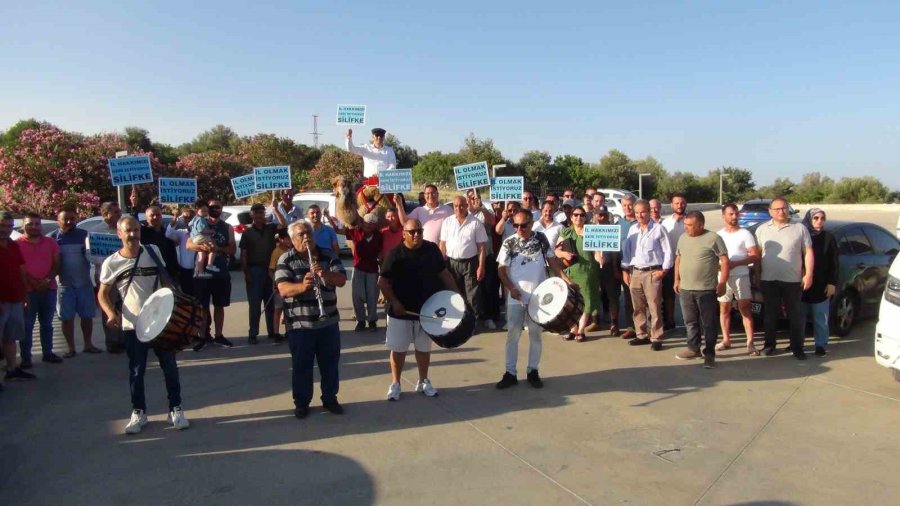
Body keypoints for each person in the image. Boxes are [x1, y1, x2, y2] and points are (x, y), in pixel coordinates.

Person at [97, 216, 189, 434]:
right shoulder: (112, 262)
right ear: (119, 233)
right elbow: (102, 294)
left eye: (136, 230)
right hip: (133, 325)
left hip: (160, 322)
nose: (133, 234)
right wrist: (111, 313)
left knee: (170, 368)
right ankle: (139, 412)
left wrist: (174, 303)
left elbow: (165, 279)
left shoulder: (153, 251)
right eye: (128, 231)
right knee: (137, 371)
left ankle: (175, 409)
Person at [379, 219, 458, 401]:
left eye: (419, 231)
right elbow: (382, 282)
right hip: (400, 312)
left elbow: (444, 274)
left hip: (428, 311)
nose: (417, 235)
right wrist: (395, 302)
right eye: (412, 232)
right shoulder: (395, 254)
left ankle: (423, 381)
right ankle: (396, 383)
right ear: (404, 234)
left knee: (423, 349)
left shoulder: (431, 250)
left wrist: (456, 295)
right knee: (398, 350)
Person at [275, 221, 348, 419]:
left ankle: (330, 398)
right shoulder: (286, 259)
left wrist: (325, 274)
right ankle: (301, 402)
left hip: (328, 322)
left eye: (308, 233)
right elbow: (283, 289)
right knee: (301, 366)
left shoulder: (328, 255)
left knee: (330, 364)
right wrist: (302, 286)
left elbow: (341, 280)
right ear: (292, 239)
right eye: (300, 235)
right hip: (300, 324)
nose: (306, 237)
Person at [496, 209, 572, 389]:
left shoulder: (541, 239)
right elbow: (501, 269)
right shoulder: (509, 242)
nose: (519, 229)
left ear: (531, 224)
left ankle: (533, 371)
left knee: (535, 335)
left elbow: (553, 262)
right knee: (512, 335)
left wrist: (566, 281)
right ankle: (510, 373)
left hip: (539, 297)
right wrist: (511, 289)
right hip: (516, 297)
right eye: (515, 225)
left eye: (523, 225)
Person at [754, 197, 814, 359]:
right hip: (769, 280)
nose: (781, 211)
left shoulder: (799, 228)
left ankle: (797, 347)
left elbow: (808, 252)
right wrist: (757, 275)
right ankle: (769, 345)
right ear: (770, 212)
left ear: (788, 209)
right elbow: (757, 255)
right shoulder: (762, 229)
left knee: (795, 316)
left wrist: (808, 274)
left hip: (793, 281)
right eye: (777, 209)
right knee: (770, 316)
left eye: (784, 208)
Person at [673, 212, 729, 368]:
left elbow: (724, 261)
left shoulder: (713, 238)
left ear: (701, 225)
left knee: (709, 323)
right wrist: (676, 280)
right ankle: (693, 348)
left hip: (706, 290)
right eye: (685, 224)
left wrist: (723, 282)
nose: (686, 228)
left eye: (690, 225)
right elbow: (678, 259)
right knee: (690, 322)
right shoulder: (683, 238)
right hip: (685, 289)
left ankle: (709, 354)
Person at [621, 200, 673, 351]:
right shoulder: (633, 230)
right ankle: (641, 335)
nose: (639, 215)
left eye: (642, 212)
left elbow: (668, 251)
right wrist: (625, 270)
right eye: (636, 212)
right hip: (635, 271)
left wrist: (664, 270)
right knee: (638, 306)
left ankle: (656, 337)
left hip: (652, 272)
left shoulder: (658, 229)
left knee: (654, 306)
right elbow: (627, 252)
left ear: (649, 212)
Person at [51, 209, 102, 357]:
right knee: (66, 318)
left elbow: (94, 255)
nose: (69, 222)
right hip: (64, 285)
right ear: (58, 220)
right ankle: (70, 348)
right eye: (65, 219)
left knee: (87, 316)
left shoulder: (84, 235)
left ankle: (88, 344)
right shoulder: (53, 238)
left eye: (72, 219)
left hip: (84, 283)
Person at [188, 199, 236, 350]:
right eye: (211, 207)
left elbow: (232, 249)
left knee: (219, 305)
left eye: (217, 207)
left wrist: (217, 249)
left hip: (220, 272)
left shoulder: (227, 227)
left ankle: (219, 335)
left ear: (221, 209)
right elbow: (188, 244)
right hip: (202, 274)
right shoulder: (200, 222)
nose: (214, 209)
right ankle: (202, 336)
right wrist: (202, 246)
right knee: (202, 306)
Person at [17, 212, 62, 366]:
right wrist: (33, 283)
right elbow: (18, 268)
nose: (34, 226)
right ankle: (26, 358)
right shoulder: (17, 244)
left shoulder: (50, 242)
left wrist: (47, 280)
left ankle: (48, 353)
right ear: (23, 225)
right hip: (27, 291)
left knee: (47, 324)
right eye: (30, 224)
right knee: (27, 325)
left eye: (37, 223)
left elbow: (57, 265)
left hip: (48, 289)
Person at [240, 200, 286, 344]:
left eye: (262, 212)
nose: (259, 215)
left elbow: (284, 225)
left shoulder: (271, 229)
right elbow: (243, 254)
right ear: (252, 215)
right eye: (257, 213)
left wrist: (276, 209)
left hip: (270, 270)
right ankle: (252, 334)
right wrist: (246, 273)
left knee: (271, 303)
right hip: (254, 270)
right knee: (254, 304)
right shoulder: (247, 232)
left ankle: (272, 331)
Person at [716, 203, 760, 355]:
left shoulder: (745, 234)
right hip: (723, 277)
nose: (734, 217)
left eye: (736, 214)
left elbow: (754, 256)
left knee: (745, 308)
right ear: (724, 216)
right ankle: (726, 340)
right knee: (724, 308)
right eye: (730, 214)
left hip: (741, 276)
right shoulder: (718, 235)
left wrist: (736, 263)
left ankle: (750, 342)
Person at [555, 206, 603, 341]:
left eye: (582, 215)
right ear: (571, 217)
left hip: (588, 272)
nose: (578, 217)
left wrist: (600, 258)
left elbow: (596, 253)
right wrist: (564, 253)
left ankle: (581, 330)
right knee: (572, 302)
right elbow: (556, 251)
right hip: (570, 272)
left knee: (586, 301)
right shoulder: (566, 232)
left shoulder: (591, 232)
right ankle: (573, 329)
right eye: (575, 215)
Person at [439, 196, 487, 328]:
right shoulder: (447, 222)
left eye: (461, 205)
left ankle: (473, 323)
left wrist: (481, 266)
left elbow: (482, 247)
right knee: (454, 293)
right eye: (455, 206)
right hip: (451, 263)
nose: (458, 208)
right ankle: (457, 322)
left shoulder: (476, 223)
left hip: (470, 263)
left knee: (472, 295)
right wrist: (439, 264)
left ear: (467, 206)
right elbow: (442, 244)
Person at [0, 211, 36, 385]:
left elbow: (21, 270)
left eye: (9, 226)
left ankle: (12, 369)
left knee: (10, 337)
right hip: (1, 301)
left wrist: (24, 294)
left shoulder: (13, 245)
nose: (6, 230)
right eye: (2, 226)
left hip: (15, 298)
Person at [85, 201, 124, 352]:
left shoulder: (123, 230)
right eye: (115, 212)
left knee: (124, 307)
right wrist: (109, 261)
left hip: (123, 276)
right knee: (109, 307)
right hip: (106, 276)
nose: (119, 215)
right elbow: (90, 255)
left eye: (119, 212)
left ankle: (124, 339)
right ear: (105, 214)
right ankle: (112, 341)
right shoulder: (95, 232)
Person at [800, 208, 839, 357]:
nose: (819, 221)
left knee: (820, 318)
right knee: (800, 317)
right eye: (815, 218)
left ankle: (821, 345)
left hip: (821, 285)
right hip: (802, 284)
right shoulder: (803, 236)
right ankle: (798, 344)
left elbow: (834, 263)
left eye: (822, 218)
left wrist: (832, 283)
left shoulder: (829, 238)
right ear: (809, 219)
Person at [341, 213, 383, 332]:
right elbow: (340, 230)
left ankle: (372, 321)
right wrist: (330, 218)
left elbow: (380, 251)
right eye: (366, 223)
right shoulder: (356, 231)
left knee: (372, 295)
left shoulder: (379, 235)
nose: (368, 226)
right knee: (357, 295)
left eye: (371, 224)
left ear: (375, 225)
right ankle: (360, 321)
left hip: (373, 269)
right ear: (363, 223)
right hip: (358, 267)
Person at [466, 190, 501, 329]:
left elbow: (492, 222)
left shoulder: (484, 211)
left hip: (486, 255)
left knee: (489, 288)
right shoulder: (464, 213)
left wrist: (481, 207)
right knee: (473, 289)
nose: (474, 200)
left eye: (476, 197)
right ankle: (474, 316)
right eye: (471, 198)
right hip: (470, 256)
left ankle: (489, 317)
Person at [130, 191, 179, 282]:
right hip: (149, 274)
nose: (156, 217)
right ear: (146, 218)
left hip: (168, 274)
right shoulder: (143, 232)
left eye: (158, 215)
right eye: (152, 215)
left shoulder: (167, 233)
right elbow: (133, 223)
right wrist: (134, 206)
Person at [593, 206, 622, 335]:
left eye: (604, 215)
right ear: (595, 216)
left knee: (613, 296)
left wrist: (615, 268)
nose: (602, 217)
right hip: (595, 267)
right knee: (595, 295)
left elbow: (616, 251)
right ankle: (595, 321)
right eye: (600, 215)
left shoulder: (613, 230)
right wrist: (597, 255)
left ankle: (614, 323)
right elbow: (591, 248)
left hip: (611, 266)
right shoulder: (591, 229)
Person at [661, 193, 687, 331]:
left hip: (688, 263)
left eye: (682, 203)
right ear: (671, 205)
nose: (679, 206)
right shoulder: (665, 222)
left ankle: (691, 323)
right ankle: (670, 321)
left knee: (688, 295)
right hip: (670, 263)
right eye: (676, 203)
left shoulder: (691, 221)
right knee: (669, 294)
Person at [164, 212, 198, 297]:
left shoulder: (202, 234)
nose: (188, 220)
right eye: (186, 218)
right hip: (186, 272)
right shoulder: (181, 233)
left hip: (199, 270)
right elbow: (168, 234)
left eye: (191, 217)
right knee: (187, 297)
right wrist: (174, 219)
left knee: (200, 298)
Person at [268, 229, 292, 343]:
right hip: (279, 284)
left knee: (289, 309)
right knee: (278, 309)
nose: (289, 240)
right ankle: (276, 333)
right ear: (281, 239)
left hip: (290, 283)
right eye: (287, 238)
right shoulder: (276, 252)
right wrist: (276, 282)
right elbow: (271, 270)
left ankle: (289, 331)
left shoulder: (292, 250)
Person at [190, 200, 218, 277]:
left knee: (201, 255)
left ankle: (200, 272)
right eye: (203, 211)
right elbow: (202, 230)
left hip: (195, 238)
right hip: (200, 237)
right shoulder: (201, 219)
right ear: (196, 210)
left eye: (206, 211)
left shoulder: (195, 219)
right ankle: (210, 264)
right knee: (213, 246)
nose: (205, 213)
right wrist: (211, 231)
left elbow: (190, 225)